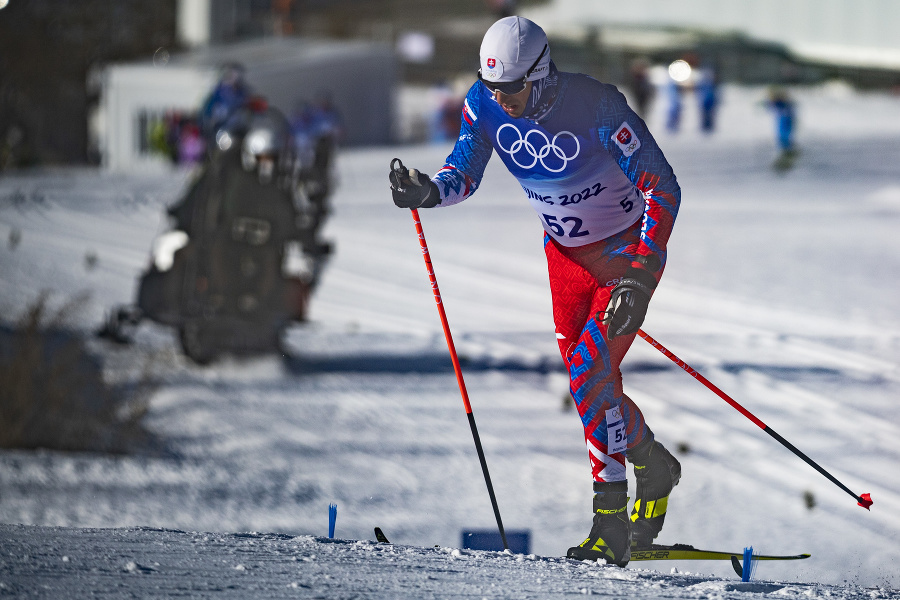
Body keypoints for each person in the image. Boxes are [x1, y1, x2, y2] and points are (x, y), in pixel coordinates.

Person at [388, 16, 682, 567]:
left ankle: (610, 522)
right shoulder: (484, 103)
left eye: (514, 87)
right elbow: (465, 173)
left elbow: (662, 187)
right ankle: (650, 460)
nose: (505, 99)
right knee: (586, 380)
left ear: (542, 74)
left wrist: (640, 276)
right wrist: (428, 190)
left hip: (623, 255)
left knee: (591, 370)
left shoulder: (597, 106)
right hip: (565, 260)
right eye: (495, 87)